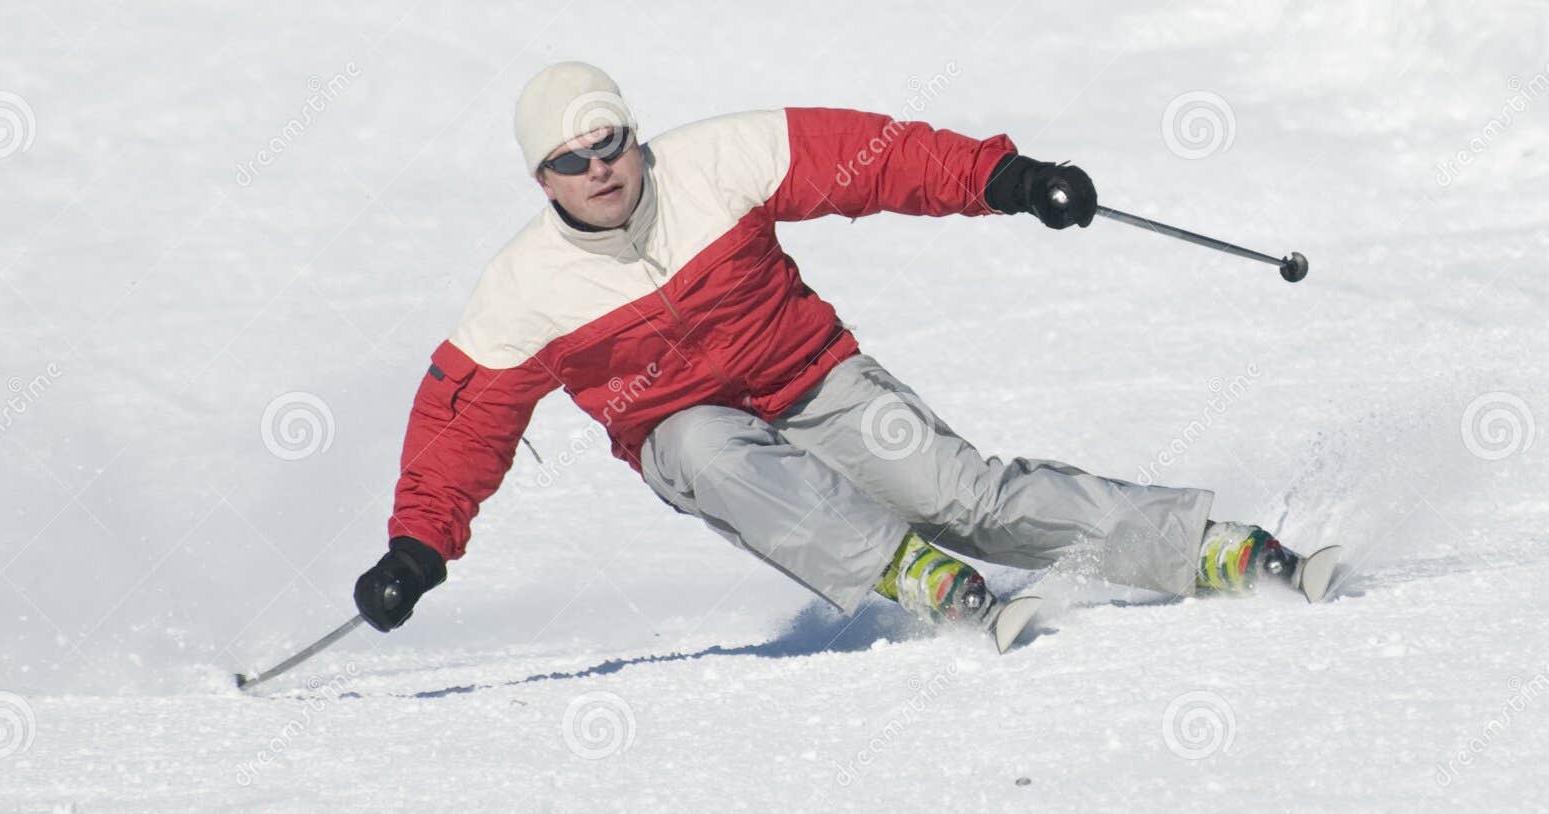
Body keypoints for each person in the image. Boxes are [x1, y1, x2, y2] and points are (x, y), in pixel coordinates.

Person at [355, 61, 1314, 646]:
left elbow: (869, 155)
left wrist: (1003, 176)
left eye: (609, 143)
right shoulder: (523, 287)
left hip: (810, 376)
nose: (599, 169)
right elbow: (462, 422)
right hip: (689, 434)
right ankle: (911, 575)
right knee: (698, 443)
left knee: (961, 496)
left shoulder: (716, 161)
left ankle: (1205, 549)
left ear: (634, 137)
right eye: (572, 161)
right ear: (543, 178)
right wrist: (416, 547)